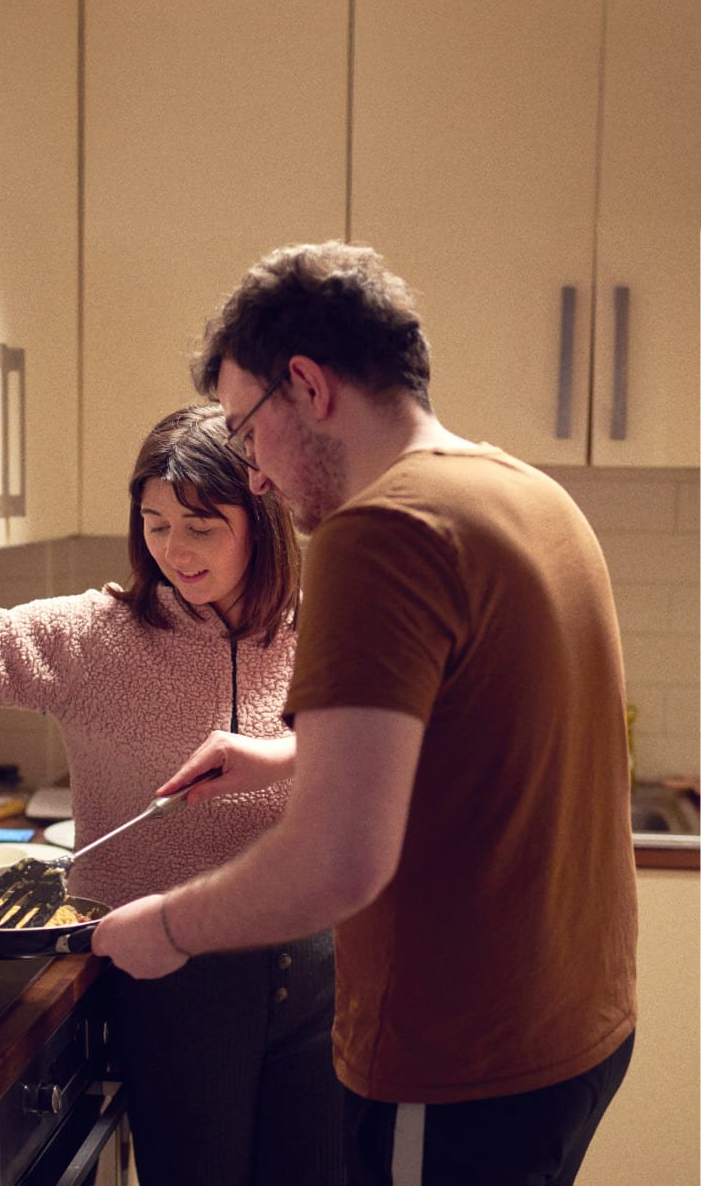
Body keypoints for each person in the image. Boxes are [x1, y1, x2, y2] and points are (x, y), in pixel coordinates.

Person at [91, 242, 638, 1186]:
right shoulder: (525, 493)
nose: (253, 474)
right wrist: (285, 756)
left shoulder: (379, 532)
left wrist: (164, 929)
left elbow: (335, 863)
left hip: (458, 1054)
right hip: (578, 1027)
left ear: (306, 385)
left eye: (246, 430)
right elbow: (477, 730)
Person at [0, 404, 345, 1186]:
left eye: (199, 526)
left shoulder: (321, 630)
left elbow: (390, 750)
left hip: (317, 969)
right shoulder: (96, 635)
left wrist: (283, 754)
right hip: (171, 981)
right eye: (153, 523)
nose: (173, 550)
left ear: (262, 518)